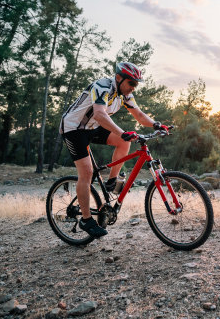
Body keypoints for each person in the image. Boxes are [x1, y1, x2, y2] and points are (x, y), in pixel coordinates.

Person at [59, 62, 170, 238]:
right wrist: (122, 132)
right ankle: (86, 220)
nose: (133, 88)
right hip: (73, 128)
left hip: (91, 126)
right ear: (118, 78)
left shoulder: (124, 94)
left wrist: (157, 124)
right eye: (131, 83)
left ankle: (111, 181)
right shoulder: (102, 86)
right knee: (86, 173)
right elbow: (99, 114)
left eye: (136, 85)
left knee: (123, 142)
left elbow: (139, 115)